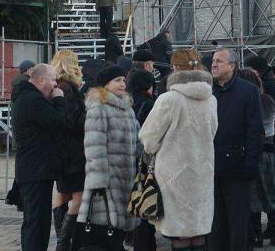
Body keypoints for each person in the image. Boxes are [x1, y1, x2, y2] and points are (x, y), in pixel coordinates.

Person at [139, 48, 217, 249]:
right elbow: (213, 132)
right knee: (197, 230)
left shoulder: (169, 99)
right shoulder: (211, 99)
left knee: (179, 232)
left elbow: (148, 138)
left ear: (175, 68)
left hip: (174, 174)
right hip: (202, 171)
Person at [209, 47, 263, 251]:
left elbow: (255, 130)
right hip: (211, 169)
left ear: (232, 65)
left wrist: (250, 165)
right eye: (213, 60)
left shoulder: (247, 91)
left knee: (238, 223)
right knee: (215, 224)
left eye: (219, 61)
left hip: (237, 169)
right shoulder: (207, 90)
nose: (214, 64)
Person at [12, 63, 67, 251]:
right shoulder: (32, 100)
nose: (56, 85)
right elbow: (58, 121)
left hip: (35, 168)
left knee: (35, 221)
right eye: (53, 80)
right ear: (41, 80)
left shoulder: (29, 97)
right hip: (35, 169)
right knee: (37, 223)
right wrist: (59, 100)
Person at [79, 65, 139, 240]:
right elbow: (94, 147)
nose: (122, 84)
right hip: (107, 181)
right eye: (117, 80)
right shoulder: (98, 107)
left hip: (127, 179)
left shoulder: (127, 108)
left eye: (123, 80)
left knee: (119, 232)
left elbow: (138, 139)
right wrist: (98, 180)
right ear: (105, 84)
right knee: (105, 231)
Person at [241, 67, 275, 247]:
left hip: (254, 150)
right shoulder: (269, 100)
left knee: (253, 195)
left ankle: (256, 235)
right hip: (269, 150)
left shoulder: (248, 101)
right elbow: (273, 124)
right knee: (271, 192)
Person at [50, 49, 87, 251]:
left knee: (63, 193)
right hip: (73, 152)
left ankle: (62, 242)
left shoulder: (57, 87)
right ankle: (64, 242)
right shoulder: (69, 88)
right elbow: (72, 120)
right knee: (78, 196)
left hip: (63, 151)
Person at [128, 68, 160, 251]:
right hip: (146, 159)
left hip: (131, 159)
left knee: (137, 201)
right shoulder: (151, 104)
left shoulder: (128, 102)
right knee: (148, 201)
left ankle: (139, 242)